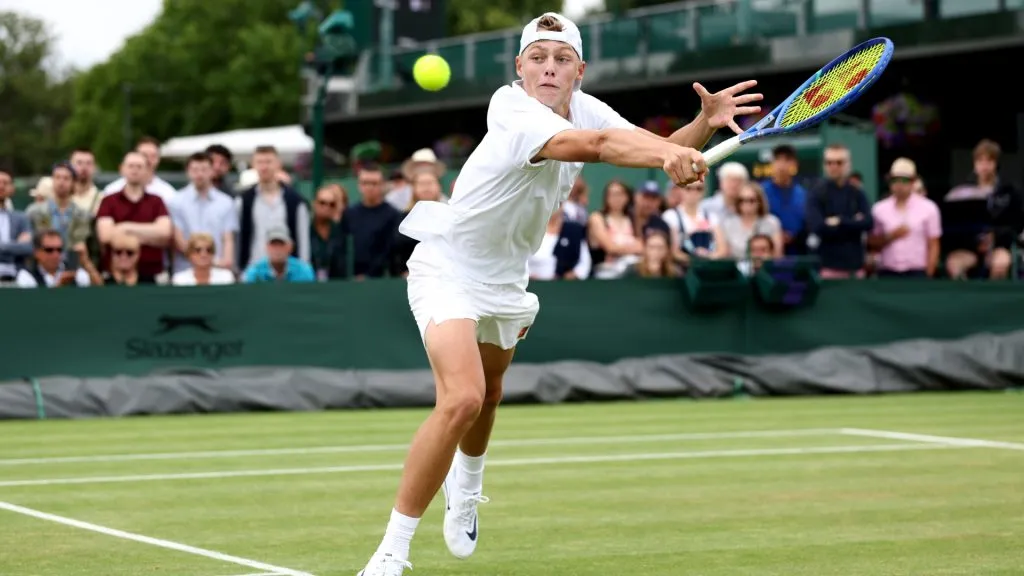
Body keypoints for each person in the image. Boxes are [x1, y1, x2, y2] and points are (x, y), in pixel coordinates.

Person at [355, 11, 762, 576]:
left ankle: (466, 488)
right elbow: (595, 146)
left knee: (491, 393)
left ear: (579, 71)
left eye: (561, 59)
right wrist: (667, 157)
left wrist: (702, 126)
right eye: (538, 59)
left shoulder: (588, 106)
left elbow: (657, 146)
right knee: (463, 398)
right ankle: (392, 552)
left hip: (507, 281)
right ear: (519, 68)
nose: (549, 69)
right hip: (447, 264)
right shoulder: (511, 108)